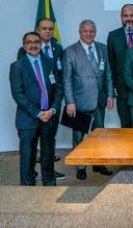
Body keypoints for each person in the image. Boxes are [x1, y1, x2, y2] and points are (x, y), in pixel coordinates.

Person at [16, 17, 66, 180]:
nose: (33, 45)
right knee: (28, 157)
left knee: (48, 154)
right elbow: (18, 93)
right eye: (29, 42)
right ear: (24, 46)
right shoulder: (18, 64)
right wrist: (37, 113)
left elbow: (58, 87)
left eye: (36, 42)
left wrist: (52, 109)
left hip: (49, 116)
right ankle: (27, 188)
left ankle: (49, 184)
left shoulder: (50, 60)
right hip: (29, 118)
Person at [63, 20, 114, 180]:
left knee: (99, 135)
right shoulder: (70, 51)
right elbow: (67, 79)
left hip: (99, 100)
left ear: (95, 31)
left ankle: (99, 163)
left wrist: (110, 95)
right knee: (79, 137)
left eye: (92, 31)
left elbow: (108, 74)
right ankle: (80, 166)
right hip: (79, 102)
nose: (89, 34)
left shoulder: (102, 48)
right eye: (85, 31)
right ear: (80, 32)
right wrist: (70, 101)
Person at [106, 3, 133, 128]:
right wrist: (112, 89)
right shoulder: (113, 36)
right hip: (122, 91)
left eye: (132, 15)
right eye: (126, 16)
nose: (129, 18)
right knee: (126, 126)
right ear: (121, 17)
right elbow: (111, 64)